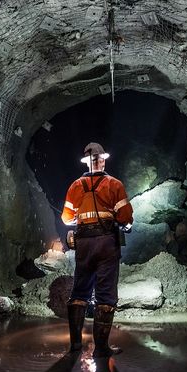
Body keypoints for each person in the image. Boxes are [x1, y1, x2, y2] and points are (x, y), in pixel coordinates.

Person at [61, 142, 133, 357]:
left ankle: (75, 346)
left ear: (86, 162)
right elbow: (125, 217)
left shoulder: (75, 185)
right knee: (105, 294)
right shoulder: (114, 184)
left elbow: (66, 218)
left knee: (80, 291)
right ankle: (101, 348)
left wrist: (83, 215)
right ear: (102, 160)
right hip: (106, 243)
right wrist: (125, 224)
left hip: (84, 244)